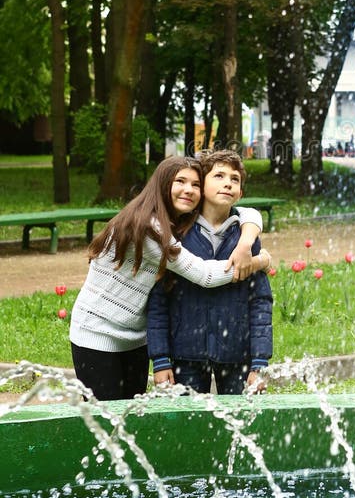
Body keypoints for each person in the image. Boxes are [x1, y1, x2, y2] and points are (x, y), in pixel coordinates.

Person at [69, 155, 271, 401]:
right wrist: (259, 261)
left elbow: (249, 213)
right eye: (180, 182)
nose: (189, 189)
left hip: (135, 337)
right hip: (98, 333)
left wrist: (247, 241)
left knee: (131, 418)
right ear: (162, 184)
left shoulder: (180, 224)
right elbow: (204, 275)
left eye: (195, 184)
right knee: (104, 418)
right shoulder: (150, 229)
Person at [147, 150, 273, 395]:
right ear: (202, 186)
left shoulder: (246, 239)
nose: (228, 182)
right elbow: (159, 300)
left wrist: (260, 361)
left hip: (237, 354)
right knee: (190, 426)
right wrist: (160, 358)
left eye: (234, 179)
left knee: (243, 423)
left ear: (240, 193)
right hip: (186, 354)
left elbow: (260, 302)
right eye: (219, 176)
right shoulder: (178, 235)